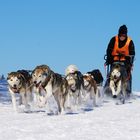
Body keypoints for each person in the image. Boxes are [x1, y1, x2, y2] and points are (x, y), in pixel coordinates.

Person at [105, 24, 135, 93]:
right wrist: (109, 59)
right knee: (110, 74)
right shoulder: (113, 39)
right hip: (114, 61)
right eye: (120, 35)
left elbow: (132, 53)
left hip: (125, 62)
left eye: (124, 35)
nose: (122, 37)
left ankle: (127, 90)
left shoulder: (130, 42)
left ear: (126, 35)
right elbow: (109, 50)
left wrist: (130, 61)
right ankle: (107, 89)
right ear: (119, 34)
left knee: (126, 75)